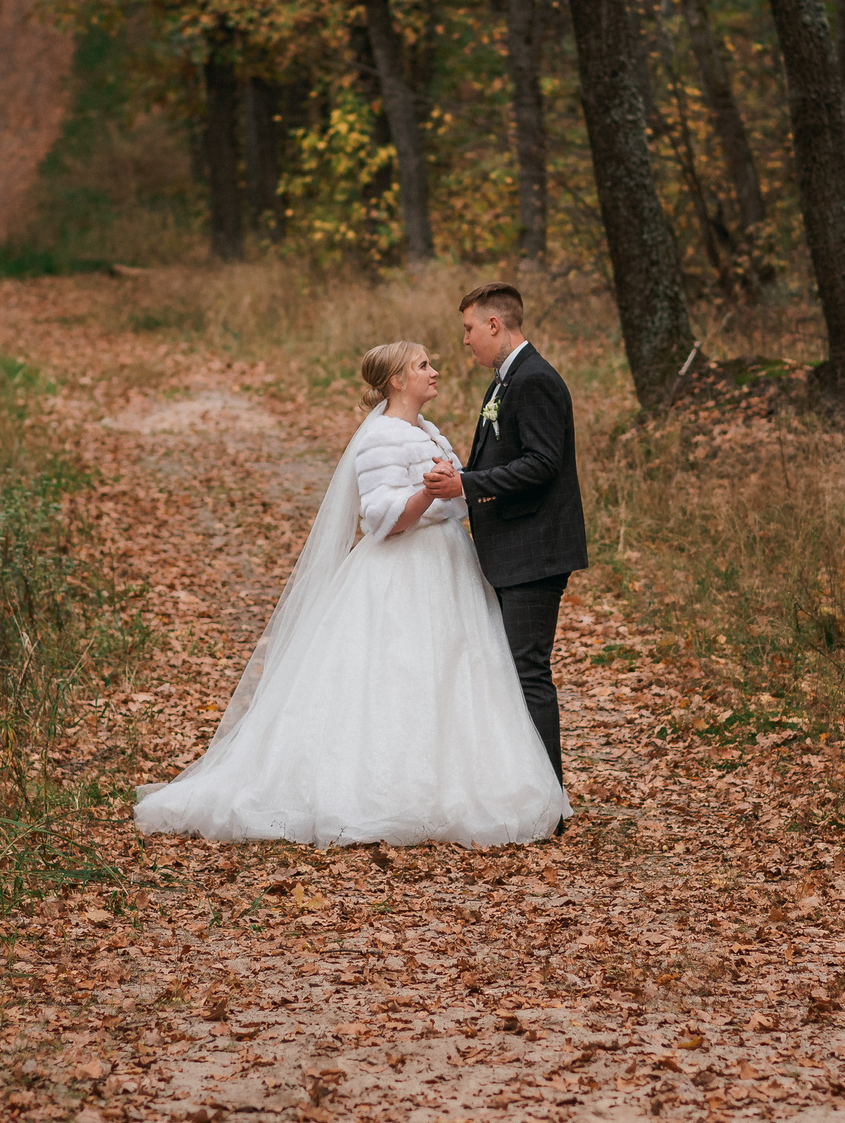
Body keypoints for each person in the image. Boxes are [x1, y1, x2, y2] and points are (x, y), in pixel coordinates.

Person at [133, 341, 569, 847]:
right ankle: (388, 793)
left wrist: (457, 489)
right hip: (405, 569)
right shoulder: (383, 437)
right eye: (422, 365)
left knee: (454, 672)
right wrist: (428, 493)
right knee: (396, 673)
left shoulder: (427, 432)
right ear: (397, 381)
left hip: (449, 564)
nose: (435, 371)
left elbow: (459, 495)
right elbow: (383, 520)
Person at [424, 282, 585, 788]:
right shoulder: (505, 380)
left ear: (495, 325)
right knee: (512, 672)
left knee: (527, 673)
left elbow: (541, 463)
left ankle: (548, 798)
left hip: (534, 552)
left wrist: (467, 484)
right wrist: (462, 473)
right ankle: (525, 789)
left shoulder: (534, 380)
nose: (466, 340)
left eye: (469, 329)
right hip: (513, 550)